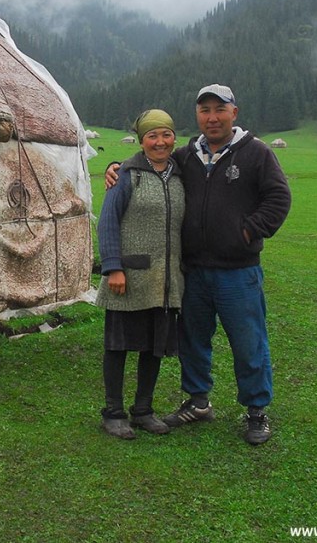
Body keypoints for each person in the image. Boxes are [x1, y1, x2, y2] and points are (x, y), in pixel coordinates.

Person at [105, 84, 291, 445]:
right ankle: (198, 401)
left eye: (219, 109)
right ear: (197, 116)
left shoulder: (256, 153)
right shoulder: (186, 155)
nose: (212, 117)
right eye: (204, 110)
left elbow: (279, 197)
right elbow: (149, 160)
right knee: (194, 341)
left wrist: (250, 231)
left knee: (248, 342)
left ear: (234, 112)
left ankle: (256, 411)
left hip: (238, 271)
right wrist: (117, 167)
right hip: (193, 271)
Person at [96, 109, 185, 440]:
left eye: (166, 134)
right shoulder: (126, 175)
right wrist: (113, 267)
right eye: (152, 136)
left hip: (164, 280)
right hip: (129, 276)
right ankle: (113, 412)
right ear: (141, 140)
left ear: (174, 137)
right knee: (118, 345)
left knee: (153, 346)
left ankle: (143, 409)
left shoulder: (180, 175)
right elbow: (107, 222)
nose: (160, 142)